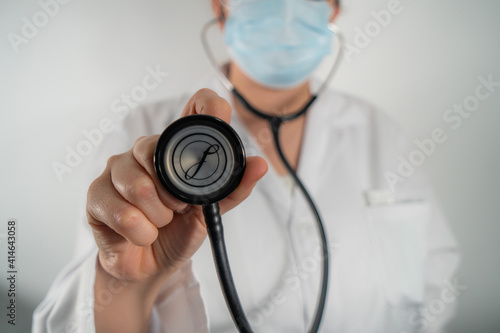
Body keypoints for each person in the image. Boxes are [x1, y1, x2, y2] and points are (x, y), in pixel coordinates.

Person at [33, 0, 461, 332]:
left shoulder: (380, 133)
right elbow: (73, 320)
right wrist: (124, 285)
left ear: (333, 9)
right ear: (222, 10)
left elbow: (434, 285)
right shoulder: (143, 137)